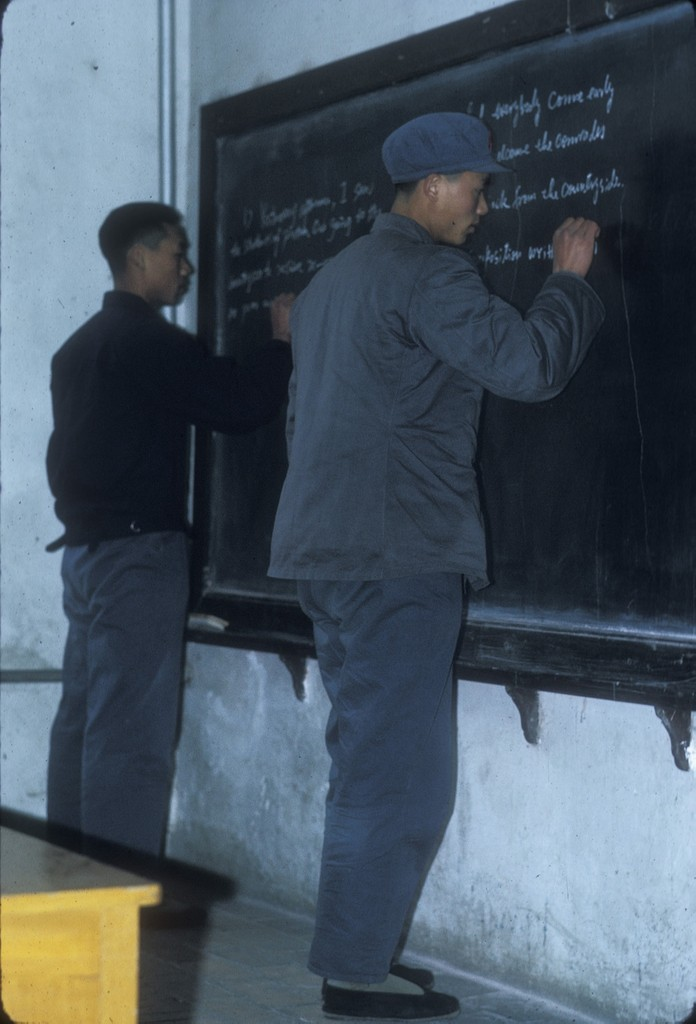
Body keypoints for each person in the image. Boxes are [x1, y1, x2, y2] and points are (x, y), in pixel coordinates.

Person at [269, 112, 604, 1021]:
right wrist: (567, 285)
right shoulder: (427, 272)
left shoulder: (334, 280)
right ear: (431, 188)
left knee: (369, 760)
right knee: (401, 774)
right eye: (477, 187)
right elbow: (530, 365)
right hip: (397, 554)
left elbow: (301, 422)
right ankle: (352, 977)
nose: (486, 206)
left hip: (328, 554)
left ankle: (360, 952)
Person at [46, 201, 293, 862]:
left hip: (85, 555)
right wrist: (281, 345)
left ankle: (73, 893)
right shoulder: (149, 341)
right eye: (177, 253)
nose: (186, 269)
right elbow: (240, 404)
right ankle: (113, 911)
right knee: (131, 740)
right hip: (136, 558)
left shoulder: (77, 349)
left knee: (84, 724)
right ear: (140, 258)